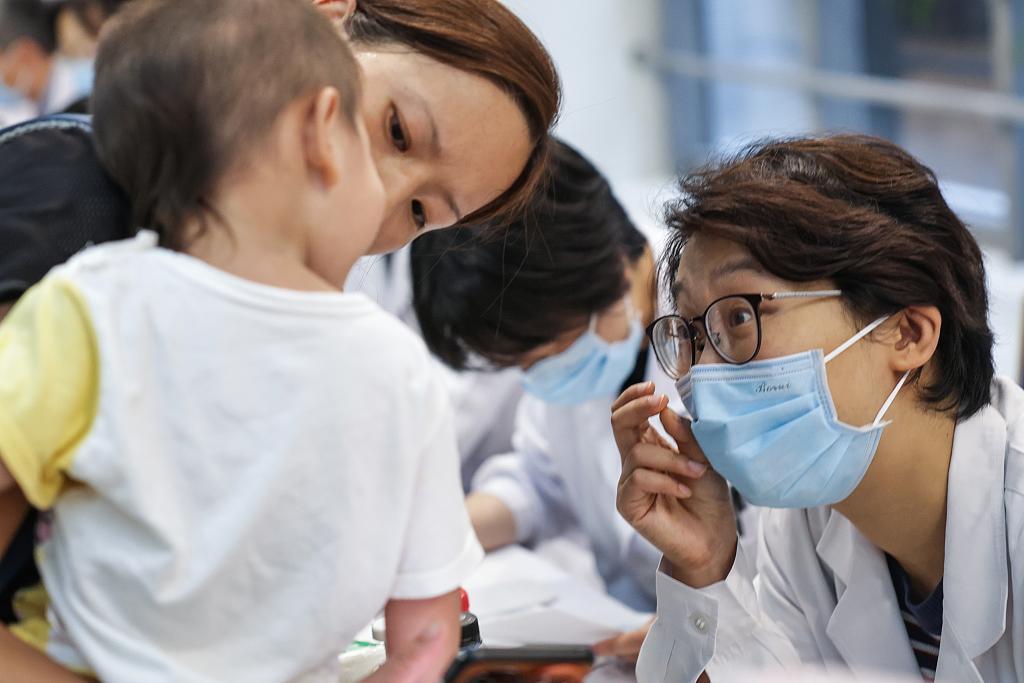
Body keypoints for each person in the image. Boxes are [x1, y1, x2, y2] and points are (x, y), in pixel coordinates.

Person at [0, 1, 481, 681]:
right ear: (322, 129)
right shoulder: (402, 369)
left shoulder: (89, 308)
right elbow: (427, 639)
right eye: (381, 140)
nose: (387, 206)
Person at [611, 135, 1023, 681]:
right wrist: (706, 565)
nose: (703, 372)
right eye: (693, 333)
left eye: (739, 317)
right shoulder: (803, 524)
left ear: (908, 333)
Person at [411, 141, 666, 660]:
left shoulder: (719, 341)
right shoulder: (577, 343)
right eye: (520, 366)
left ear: (610, 270)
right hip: (631, 634)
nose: (536, 377)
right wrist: (427, 539)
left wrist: (694, 624)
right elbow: (535, 480)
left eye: (543, 356)